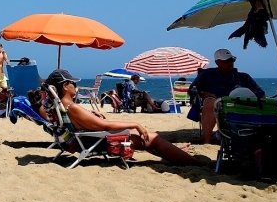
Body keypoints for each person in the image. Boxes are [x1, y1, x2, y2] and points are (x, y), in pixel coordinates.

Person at [45, 69, 202, 165]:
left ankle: (176, 154)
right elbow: (105, 126)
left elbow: (86, 123)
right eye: (72, 82)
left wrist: (91, 114)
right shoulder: (73, 107)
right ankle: (194, 163)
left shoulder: (62, 106)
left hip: (89, 140)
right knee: (153, 138)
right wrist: (134, 124)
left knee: (148, 140)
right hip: (99, 142)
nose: (75, 85)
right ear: (65, 86)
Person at [190, 48, 265, 144]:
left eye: (232, 60)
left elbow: (260, 93)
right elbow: (192, 90)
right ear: (217, 62)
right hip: (218, 106)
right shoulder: (207, 75)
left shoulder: (243, 77)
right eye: (226, 61)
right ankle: (206, 141)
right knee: (210, 101)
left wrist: (246, 95)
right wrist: (204, 94)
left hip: (241, 106)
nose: (230, 63)